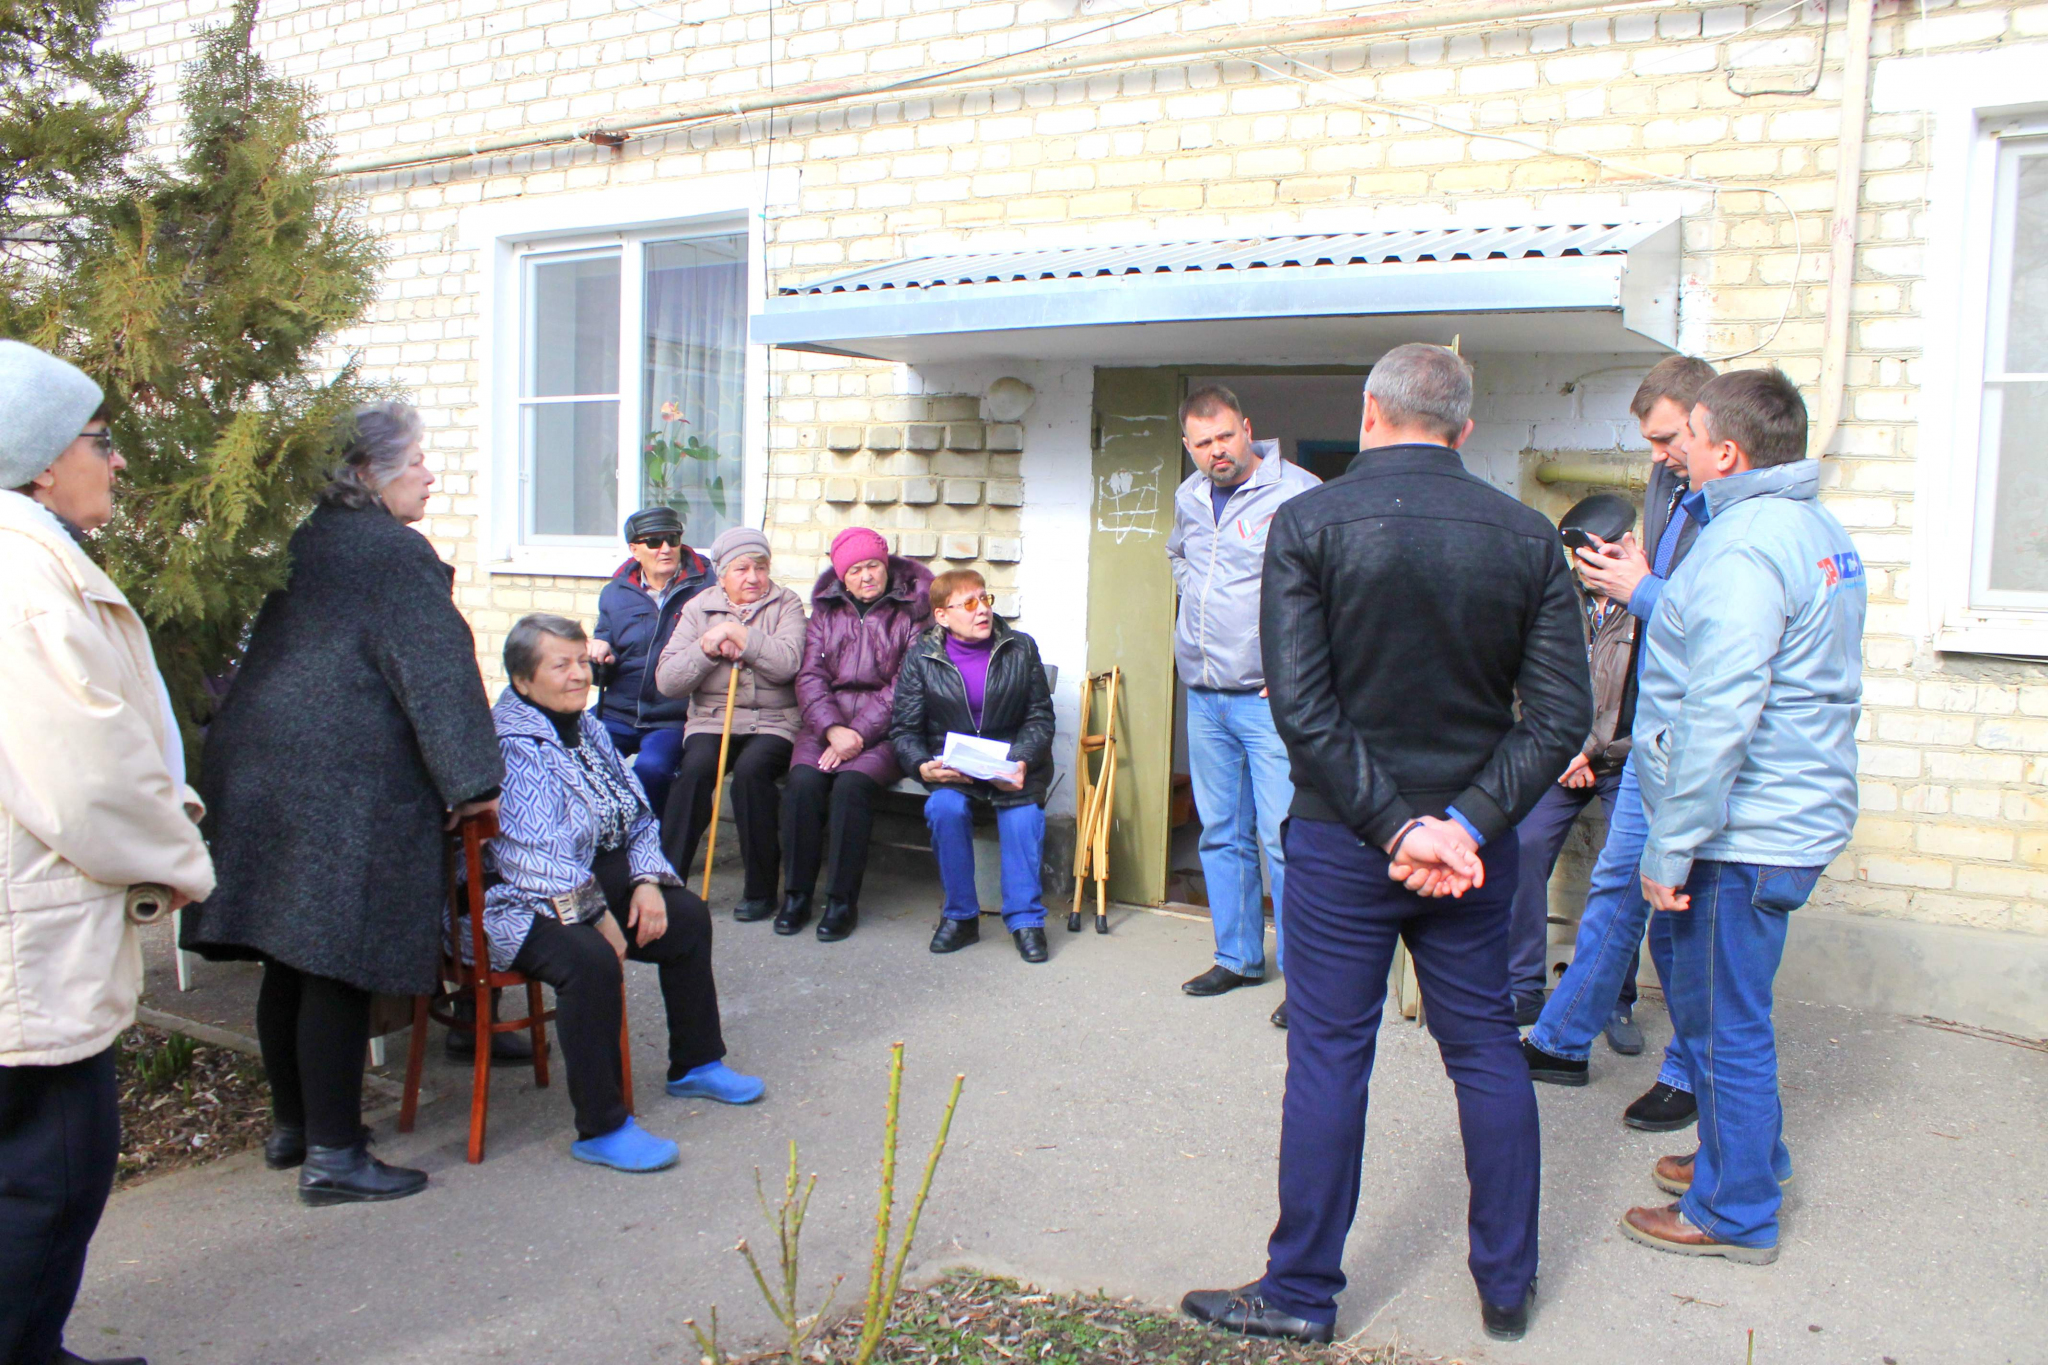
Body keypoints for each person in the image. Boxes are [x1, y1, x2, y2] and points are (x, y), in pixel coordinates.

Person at [1181, 343, 1590, 1346]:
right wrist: (1456, 827)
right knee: (1486, 1053)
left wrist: (1398, 828)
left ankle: (1299, 1294)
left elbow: (1301, 707)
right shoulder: (1525, 533)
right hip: (1467, 845)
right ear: (1462, 428)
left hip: (1342, 839)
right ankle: (1505, 1286)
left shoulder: (1308, 521)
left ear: (1368, 415)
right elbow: (1557, 716)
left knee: (1328, 1058)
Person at [182, 402, 504, 1207]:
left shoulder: (309, 539)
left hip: (260, 772)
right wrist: (475, 782)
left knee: (289, 954)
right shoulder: (393, 553)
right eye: (417, 460)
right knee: (336, 960)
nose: (430, 473)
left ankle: (293, 1126)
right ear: (368, 472)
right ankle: (334, 1153)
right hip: (341, 784)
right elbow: (439, 675)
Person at [0, 341, 215, 1365]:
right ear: (42, 460)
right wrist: (179, 859)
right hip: (28, 941)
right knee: (55, 1175)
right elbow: (83, 778)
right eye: (100, 440)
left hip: (28, 919)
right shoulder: (26, 577)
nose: (116, 461)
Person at [1620, 368, 1863, 1264]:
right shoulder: (1814, 529)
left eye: (1687, 435)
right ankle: (1744, 1155)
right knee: (1724, 1009)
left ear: (1727, 450)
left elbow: (1722, 706)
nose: (1674, 450)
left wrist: (1672, 847)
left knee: (1723, 1023)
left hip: (1740, 832)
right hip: (1785, 818)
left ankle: (1737, 1211)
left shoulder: (1746, 545)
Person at [484, 615, 763, 1172]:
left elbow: (636, 813)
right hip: (515, 899)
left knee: (685, 916)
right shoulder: (514, 743)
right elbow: (532, 859)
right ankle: (601, 1125)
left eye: (581, 661)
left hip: (590, 869)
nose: (577, 675)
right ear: (522, 680)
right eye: (559, 665)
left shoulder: (585, 726)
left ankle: (695, 1064)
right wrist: (596, 917)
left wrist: (645, 882)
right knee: (589, 961)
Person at [1522, 355, 1717, 1132]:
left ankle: (1688, 1073)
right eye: (1652, 441)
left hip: (1695, 740)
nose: (1660, 454)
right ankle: (1563, 1040)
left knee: (1678, 915)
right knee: (1615, 887)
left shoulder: (1733, 508)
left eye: (1670, 437)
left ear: (1710, 427)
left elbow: (1713, 626)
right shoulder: (1670, 482)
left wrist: (1639, 590)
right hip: (1652, 741)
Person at [1165, 385, 1319, 1026]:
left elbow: (1328, 589)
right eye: (1202, 443)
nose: (1216, 452)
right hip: (1205, 695)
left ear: (1247, 429)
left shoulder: (1299, 494)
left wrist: (1291, 666)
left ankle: (1309, 983)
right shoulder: (1189, 497)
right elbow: (1180, 556)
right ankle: (1237, 956)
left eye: (1225, 436)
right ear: (1188, 447)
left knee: (1284, 839)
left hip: (1267, 700)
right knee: (1221, 833)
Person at [1508, 493, 1639, 1034]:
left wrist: (1593, 748)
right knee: (1520, 846)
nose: (1585, 571)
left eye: (1595, 560)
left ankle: (1615, 999)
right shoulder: (1560, 599)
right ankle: (1522, 988)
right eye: (1578, 563)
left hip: (1627, 759)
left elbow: (1644, 699)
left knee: (1622, 870)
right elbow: (1528, 677)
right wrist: (1568, 748)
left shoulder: (1651, 603)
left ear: (1626, 547)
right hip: (1565, 755)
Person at [889, 569, 1058, 963]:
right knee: (944, 808)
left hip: (1012, 763)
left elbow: (1039, 718)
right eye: (968, 604)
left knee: (1023, 818)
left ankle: (1026, 921)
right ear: (942, 616)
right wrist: (921, 766)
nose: (981, 610)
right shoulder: (922, 657)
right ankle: (961, 916)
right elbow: (905, 729)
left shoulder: (1020, 647)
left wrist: (1021, 761)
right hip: (957, 769)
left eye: (985, 599)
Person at [779, 526, 933, 941]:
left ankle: (841, 901)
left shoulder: (914, 613)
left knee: (851, 787)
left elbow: (907, 684)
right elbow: (810, 675)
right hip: (825, 724)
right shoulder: (825, 612)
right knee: (803, 783)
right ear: (841, 577)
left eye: (873, 567)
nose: (866, 577)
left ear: (886, 568)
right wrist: (831, 728)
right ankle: (795, 894)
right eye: (855, 570)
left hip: (885, 730)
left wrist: (858, 735)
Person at [654, 527, 807, 920]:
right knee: (695, 770)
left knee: (753, 775)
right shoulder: (698, 607)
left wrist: (742, 635)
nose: (753, 578)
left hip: (773, 720)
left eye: (761, 567)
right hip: (712, 718)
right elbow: (668, 681)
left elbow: (788, 664)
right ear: (721, 573)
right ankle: (666, 880)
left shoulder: (786, 604)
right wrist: (707, 646)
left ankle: (760, 889)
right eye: (741, 569)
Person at [589, 506, 713, 818]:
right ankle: (592, 835)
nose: (666, 549)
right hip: (618, 710)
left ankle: (649, 840)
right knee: (573, 754)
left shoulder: (707, 587)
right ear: (634, 549)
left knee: (652, 769)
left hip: (673, 715)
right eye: (654, 542)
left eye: (672, 539)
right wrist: (598, 655)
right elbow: (599, 668)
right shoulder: (616, 593)